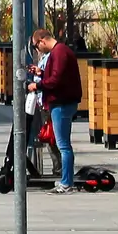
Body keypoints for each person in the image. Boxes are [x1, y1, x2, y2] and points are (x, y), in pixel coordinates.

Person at [27, 29, 82, 194]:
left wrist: (37, 84)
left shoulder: (59, 53)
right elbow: (58, 76)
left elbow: (56, 81)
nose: (38, 50)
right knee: (62, 144)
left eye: (37, 46)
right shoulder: (60, 52)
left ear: (42, 40)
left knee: (63, 145)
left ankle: (66, 182)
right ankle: (66, 180)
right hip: (62, 102)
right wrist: (41, 73)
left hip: (62, 103)